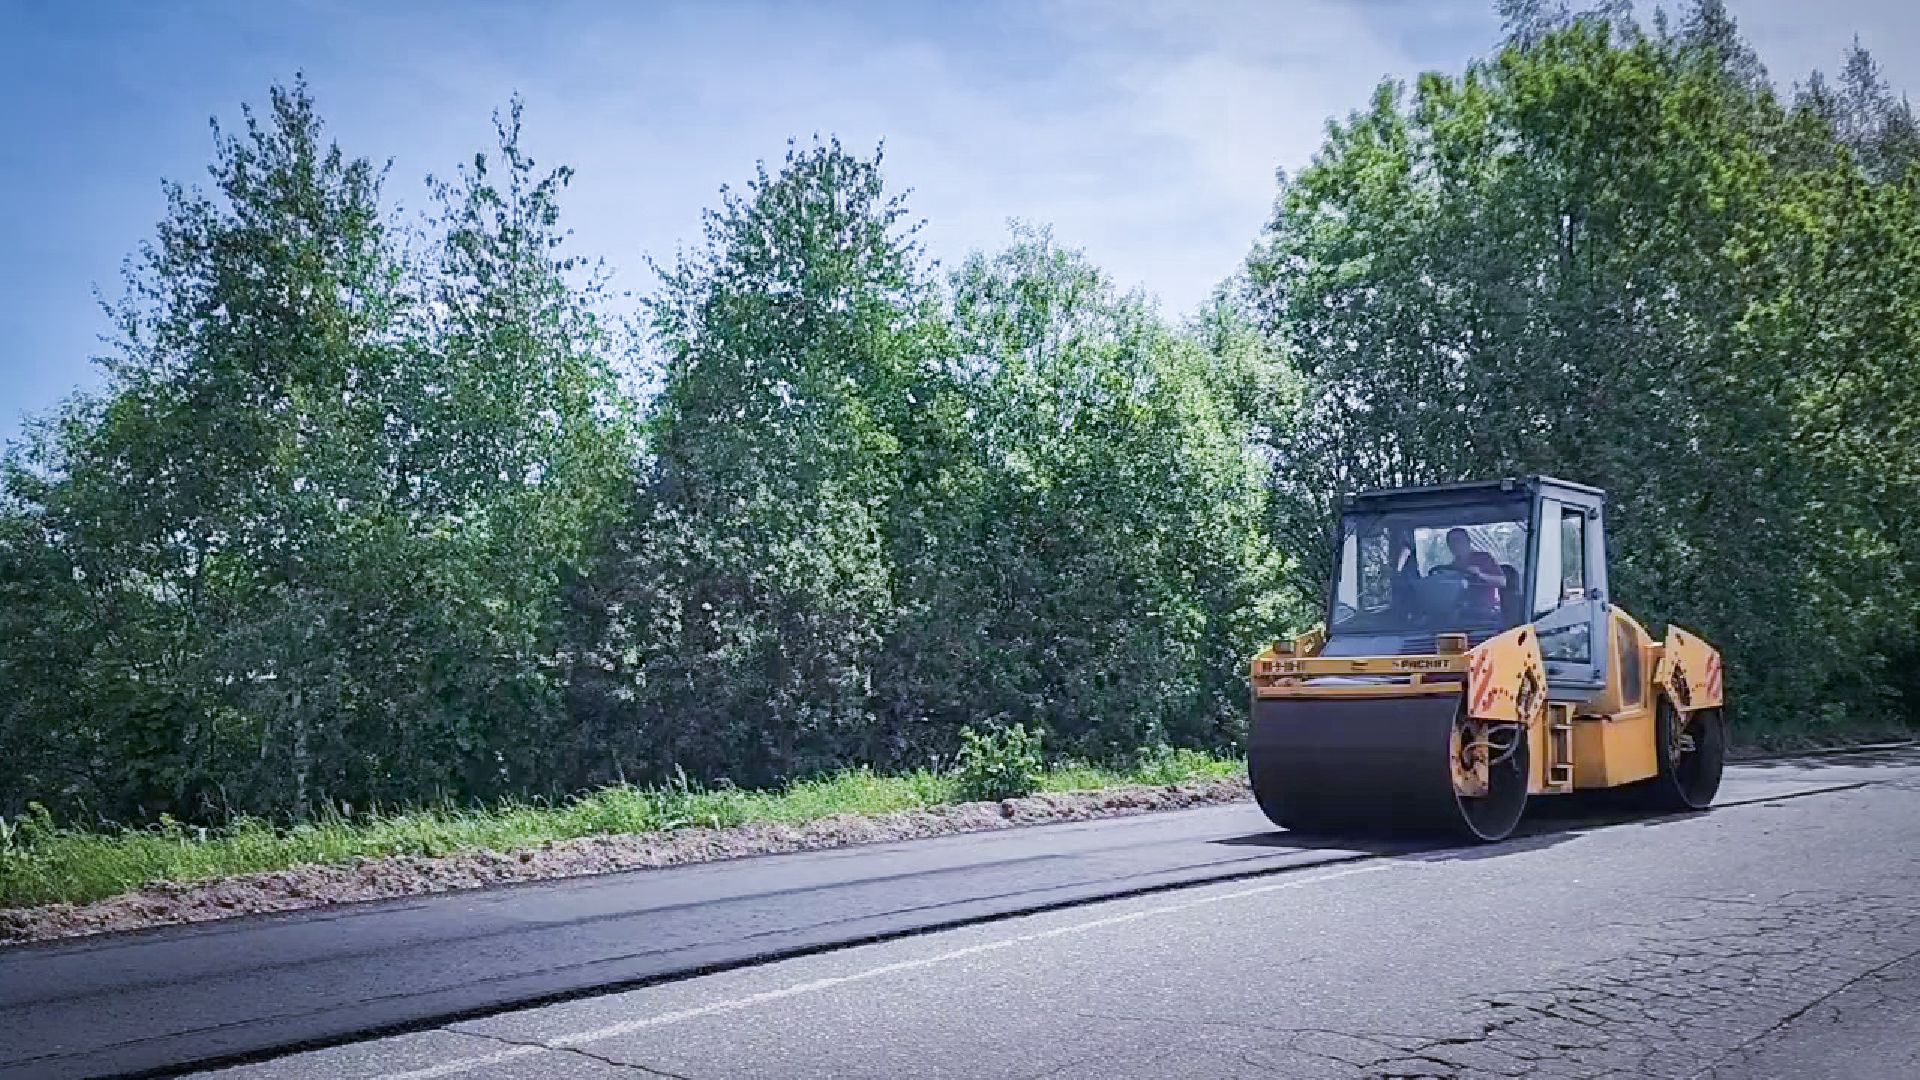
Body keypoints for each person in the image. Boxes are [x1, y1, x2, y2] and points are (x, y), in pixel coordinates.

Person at [1441, 527, 1506, 613]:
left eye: (1458, 540)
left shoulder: (1484, 559)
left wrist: (1480, 575)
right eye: (1451, 542)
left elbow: (1502, 582)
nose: (1455, 544)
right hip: (1459, 612)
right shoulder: (1449, 568)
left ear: (1468, 541)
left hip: (1486, 612)